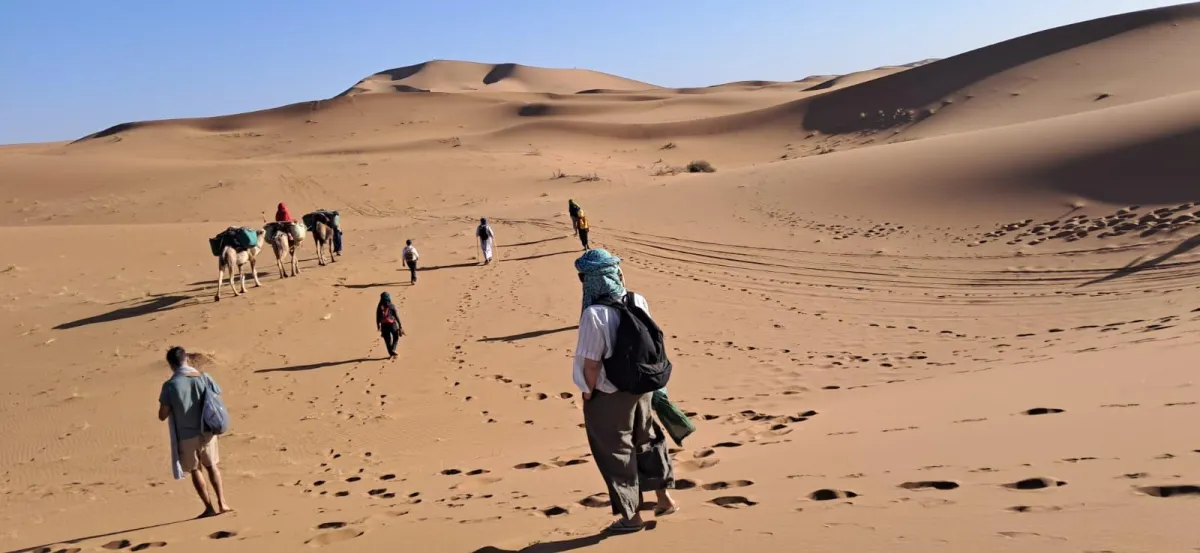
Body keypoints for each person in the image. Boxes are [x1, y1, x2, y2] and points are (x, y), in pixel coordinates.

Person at [572, 249, 677, 534]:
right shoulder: (637, 299)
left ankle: (631, 518)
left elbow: (591, 363)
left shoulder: (594, 314)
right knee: (647, 440)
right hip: (643, 386)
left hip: (609, 394)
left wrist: (587, 392)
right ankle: (664, 498)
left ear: (590, 280)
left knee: (616, 452)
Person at [158, 346, 231, 518]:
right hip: (207, 429)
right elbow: (216, 396)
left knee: (195, 470)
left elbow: (162, 415)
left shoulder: (170, 386)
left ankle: (209, 508)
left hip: (186, 435)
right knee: (212, 466)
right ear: (186, 359)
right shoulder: (204, 377)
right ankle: (222, 503)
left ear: (171, 364)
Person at [376, 292, 403, 359]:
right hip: (392, 325)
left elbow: (377, 317)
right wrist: (400, 325)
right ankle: (393, 349)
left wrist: (378, 326)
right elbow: (396, 316)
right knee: (396, 337)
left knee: (387, 340)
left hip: (384, 326)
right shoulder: (391, 305)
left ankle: (391, 353)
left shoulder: (379, 307)